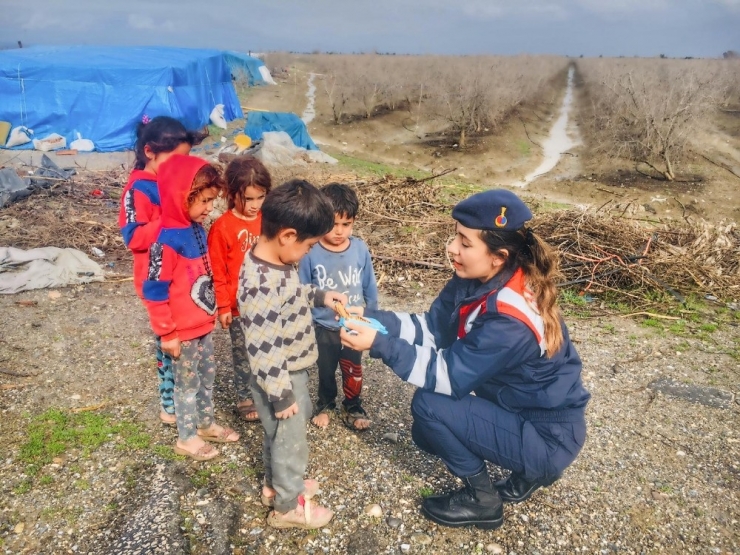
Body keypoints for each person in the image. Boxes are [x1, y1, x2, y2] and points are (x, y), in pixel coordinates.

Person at [340, 189, 590, 530]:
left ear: (498, 256)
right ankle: (526, 469)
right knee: (424, 434)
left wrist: (379, 344)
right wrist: (373, 320)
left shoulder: (509, 320)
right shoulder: (475, 277)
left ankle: (484, 500)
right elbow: (432, 329)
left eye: (465, 242)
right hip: (523, 410)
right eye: (455, 236)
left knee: (430, 405)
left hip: (550, 436)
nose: (452, 248)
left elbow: (448, 375)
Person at [236, 179, 348, 529]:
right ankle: (287, 507)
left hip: (282, 372)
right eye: (309, 245)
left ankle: (276, 485)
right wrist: (282, 395)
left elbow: (293, 293)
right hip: (281, 377)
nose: (309, 252)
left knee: (276, 436)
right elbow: (263, 345)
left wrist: (319, 296)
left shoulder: (272, 262)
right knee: (290, 440)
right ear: (287, 235)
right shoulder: (261, 284)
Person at [143, 154, 240, 461]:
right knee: (186, 384)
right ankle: (186, 437)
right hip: (181, 332)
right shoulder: (166, 240)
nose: (210, 208)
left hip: (202, 326)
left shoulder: (196, 228)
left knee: (207, 375)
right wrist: (166, 333)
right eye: (205, 201)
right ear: (180, 196)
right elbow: (154, 291)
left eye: (213, 201)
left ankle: (205, 423)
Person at [118, 116, 207, 426]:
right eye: (174, 159)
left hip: (178, 273)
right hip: (155, 277)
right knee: (168, 339)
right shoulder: (139, 190)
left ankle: (183, 394)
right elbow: (132, 237)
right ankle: (169, 403)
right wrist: (168, 218)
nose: (178, 166)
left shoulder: (166, 182)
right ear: (149, 151)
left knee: (182, 338)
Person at [298, 183, 378, 431]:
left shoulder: (360, 249)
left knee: (353, 368)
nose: (340, 231)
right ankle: (326, 404)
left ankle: (353, 405)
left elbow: (369, 286)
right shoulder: (310, 252)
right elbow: (302, 289)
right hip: (323, 325)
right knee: (326, 368)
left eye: (347, 224)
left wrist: (372, 315)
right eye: (334, 224)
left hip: (353, 325)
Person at [207, 156, 272, 423]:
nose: (255, 205)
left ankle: (268, 390)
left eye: (261, 197)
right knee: (243, 353)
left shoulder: (268, 220)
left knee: (267, 349)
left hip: (267, 300)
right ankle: (245, 396)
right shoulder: (222, 228)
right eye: (249, 199)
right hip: (238, 306)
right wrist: (223, 306)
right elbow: (218, 272)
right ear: (232, 194)